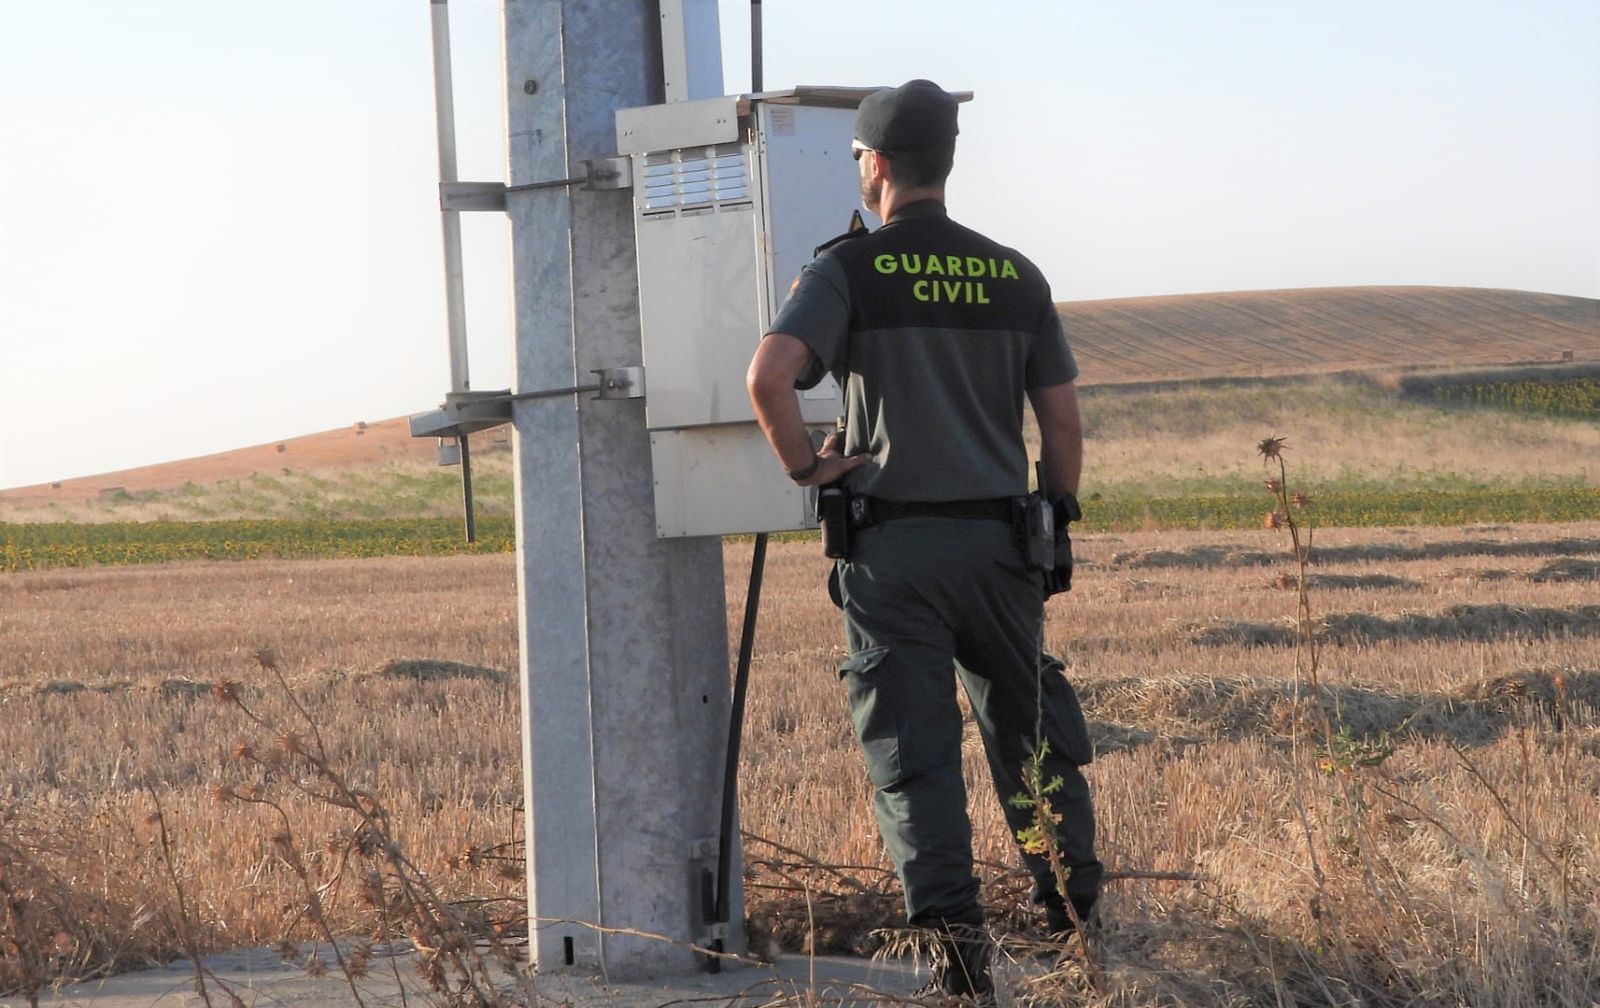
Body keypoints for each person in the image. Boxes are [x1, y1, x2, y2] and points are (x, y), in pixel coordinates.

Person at [746, 80, 1103, 1001]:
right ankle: (1075, 932)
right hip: (1001, 549)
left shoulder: (847, 272)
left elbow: (769, 377)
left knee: (915, 756)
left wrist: (805, 469)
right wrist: (1051, 517)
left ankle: (957, 963)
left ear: (874, 164)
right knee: (1030, 743)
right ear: (947, 163)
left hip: (894, 554)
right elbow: (1063, 428)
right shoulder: (1015, 274)